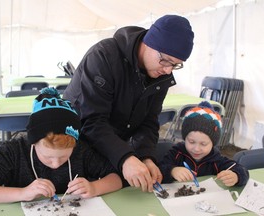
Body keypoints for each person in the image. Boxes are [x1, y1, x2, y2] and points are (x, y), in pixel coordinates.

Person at [63, 14, 194, 192]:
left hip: (111, 147)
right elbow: (91, 120)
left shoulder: (161, 74)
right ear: (149, 42)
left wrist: (146, 156)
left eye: (176, 65)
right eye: (165, 60)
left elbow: (149, 121)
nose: (168, 70)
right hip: (74, 147)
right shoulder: (103, 57)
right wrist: (125, 158)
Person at [0, 87, 123, 203]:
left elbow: (116, 177)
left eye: (63, 157)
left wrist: (94, 187)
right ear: (33, 143)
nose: (55, 164)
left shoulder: (82, 150)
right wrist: (23, 193)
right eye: (48, 157)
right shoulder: (13, 152)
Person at [159, 101, 249, 187]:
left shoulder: (216, 160)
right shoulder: (176, 153)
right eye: (191, 142)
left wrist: (236, 176)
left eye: (203, 144)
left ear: (213, 143)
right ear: (184, 138)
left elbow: (242, 171)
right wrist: (172, 171)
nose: (197, 149)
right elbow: (160, 170)